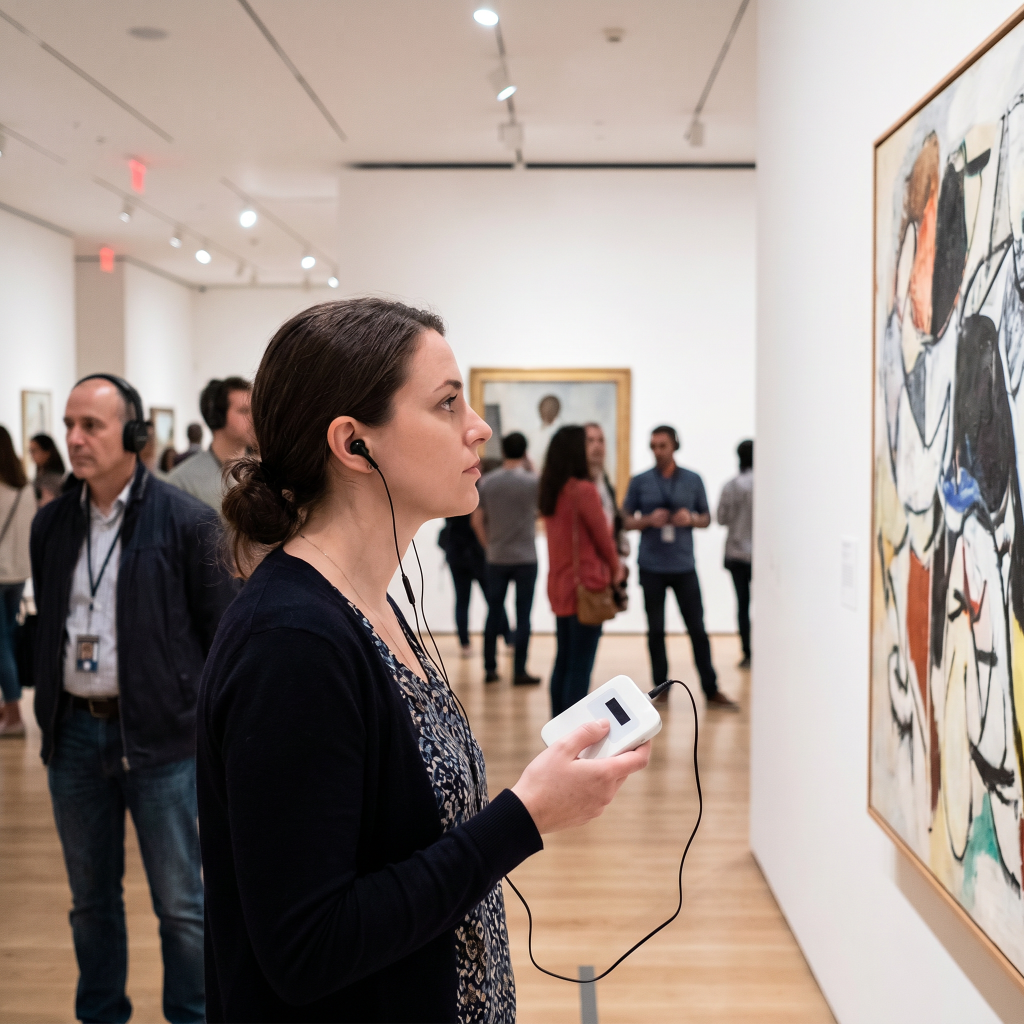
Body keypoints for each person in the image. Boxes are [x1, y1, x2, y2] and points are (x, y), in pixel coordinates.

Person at [197, 298, 650, 1023]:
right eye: (446, 403)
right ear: (353, 444)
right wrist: (525, 816)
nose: (479, 427)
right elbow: (308, 946)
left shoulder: (370, 606)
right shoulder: (290, 645)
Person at [31, 374, 239, 1024]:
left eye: (90, 425)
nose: (73, 439)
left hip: (162, 742)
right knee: (90, 902)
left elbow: (220, 635)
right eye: (69, 424)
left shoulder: (186, 521)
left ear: (136, 435)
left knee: (181, 905)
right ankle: (100, 1014)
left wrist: (202, 723)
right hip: (73, 738)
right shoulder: (53, 523)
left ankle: (193, 1014)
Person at [624, 426, 738, 710]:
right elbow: (624, 520)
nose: (658, 451)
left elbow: (707, 518)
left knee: (697, 628)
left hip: (683, 565)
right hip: (651, 565)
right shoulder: (640, 481)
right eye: (653, 446)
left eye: (662, 445)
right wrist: (648, 520)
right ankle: (660, 687)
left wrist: (691, 519)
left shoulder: (692, 479)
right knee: (655, 630)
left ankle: (711, 689)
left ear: (675, 446)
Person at [541, 425, 624, 718]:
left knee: (564, 660)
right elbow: (603, 539)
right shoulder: (583, 490)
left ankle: (558, 728)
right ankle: (572, 734)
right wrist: (616, 570)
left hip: (561, 587)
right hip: (585, 587)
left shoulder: (552, 490)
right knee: (580, 666)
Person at [472, 432, 540, 685]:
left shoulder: (488, 482)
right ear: (524, 451)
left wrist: (489, 547)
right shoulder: (533, 481)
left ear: (502, 451)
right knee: (523, 617)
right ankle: (520, 671)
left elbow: (477, 521)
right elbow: (544, 507)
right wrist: (530, 466)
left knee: (493, 613)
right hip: (525, 558)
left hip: (497, 557)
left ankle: (490, 668)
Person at [169, 379, 253, 513]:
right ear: (218, 417)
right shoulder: (182, 481)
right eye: (244, 411)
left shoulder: (263, 473)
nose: (254, 417)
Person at [0, 426, 36, 737]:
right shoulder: (25, 489)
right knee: (7, 638)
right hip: (18, 576)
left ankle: (13, 715)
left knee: (1, 644)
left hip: (0, 574)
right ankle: (7, 707)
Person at [438, 512, 509, 657]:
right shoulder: (476, 495)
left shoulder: (453, 499)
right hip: (477, 555)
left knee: (464, 601)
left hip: (457, 554)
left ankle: (465, 644)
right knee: (493, 600)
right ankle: (508, 639)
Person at [585, 422, 630, 607]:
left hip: (606, 571)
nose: (597, 446)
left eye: (601, 441)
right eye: (590, 441)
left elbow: (613, 522)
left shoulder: (604, 482)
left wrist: (620, 558)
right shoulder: (579, 487)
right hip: (588, 575)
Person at [718, 439, 754, 668]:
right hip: (760, 555)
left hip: (737, 554)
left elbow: (721, 518)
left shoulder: (732, 486)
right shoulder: (767, 485)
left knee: (743, 604)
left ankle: (748, 652)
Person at [29, 432, 66, 505]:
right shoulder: (40, 476)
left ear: (47, 453)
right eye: (30, 451)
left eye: (34, 451)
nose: (31, 455)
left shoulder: (53, 480)